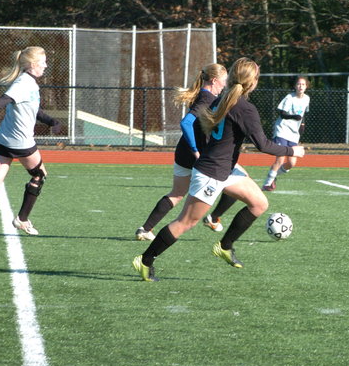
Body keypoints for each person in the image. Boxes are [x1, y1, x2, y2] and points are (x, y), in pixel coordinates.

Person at [132, 57, 305, 281]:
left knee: (259, 203)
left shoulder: (223, 99)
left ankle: (225, 245)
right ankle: (145, 260)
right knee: (186, 222)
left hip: (223, 168)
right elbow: (263, 145)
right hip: (212, 173)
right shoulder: (244, 108)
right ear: (252, 82)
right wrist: (293, 151)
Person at [0, 46, 61, 241]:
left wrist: (52, 121)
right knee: (40, 175)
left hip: (3, 140)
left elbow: (33, 110)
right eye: (43, 62)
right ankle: (22, 219)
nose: (46, 65)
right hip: (21, 142)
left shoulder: (28, 83)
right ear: (33, 65)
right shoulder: (24, 83)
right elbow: (2, 101)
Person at [134, 63, 237, 241]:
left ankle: (145, 229)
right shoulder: (207, 99)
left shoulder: (202, 95)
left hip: (183, 153)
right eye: (224, 81)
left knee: (176, 193)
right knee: (238, 182)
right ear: (214, 80)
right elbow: (186, 123)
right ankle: (213, 218)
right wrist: (196, 150)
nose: (225, 85)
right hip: (198, 155)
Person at [262, 76, 310, 191]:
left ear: (306, 87)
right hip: (282, 130)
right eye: (298, 84)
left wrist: (302, 124)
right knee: (280, 159)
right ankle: (267, 184)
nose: (300, 86)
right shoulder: (289, 97)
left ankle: (274, 176)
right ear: (295, 86)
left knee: (291, 163)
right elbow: (282, 114)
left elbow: (302, 114)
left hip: (293, 133)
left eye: (303, 84)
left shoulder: (306, 98)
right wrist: (294, 117)